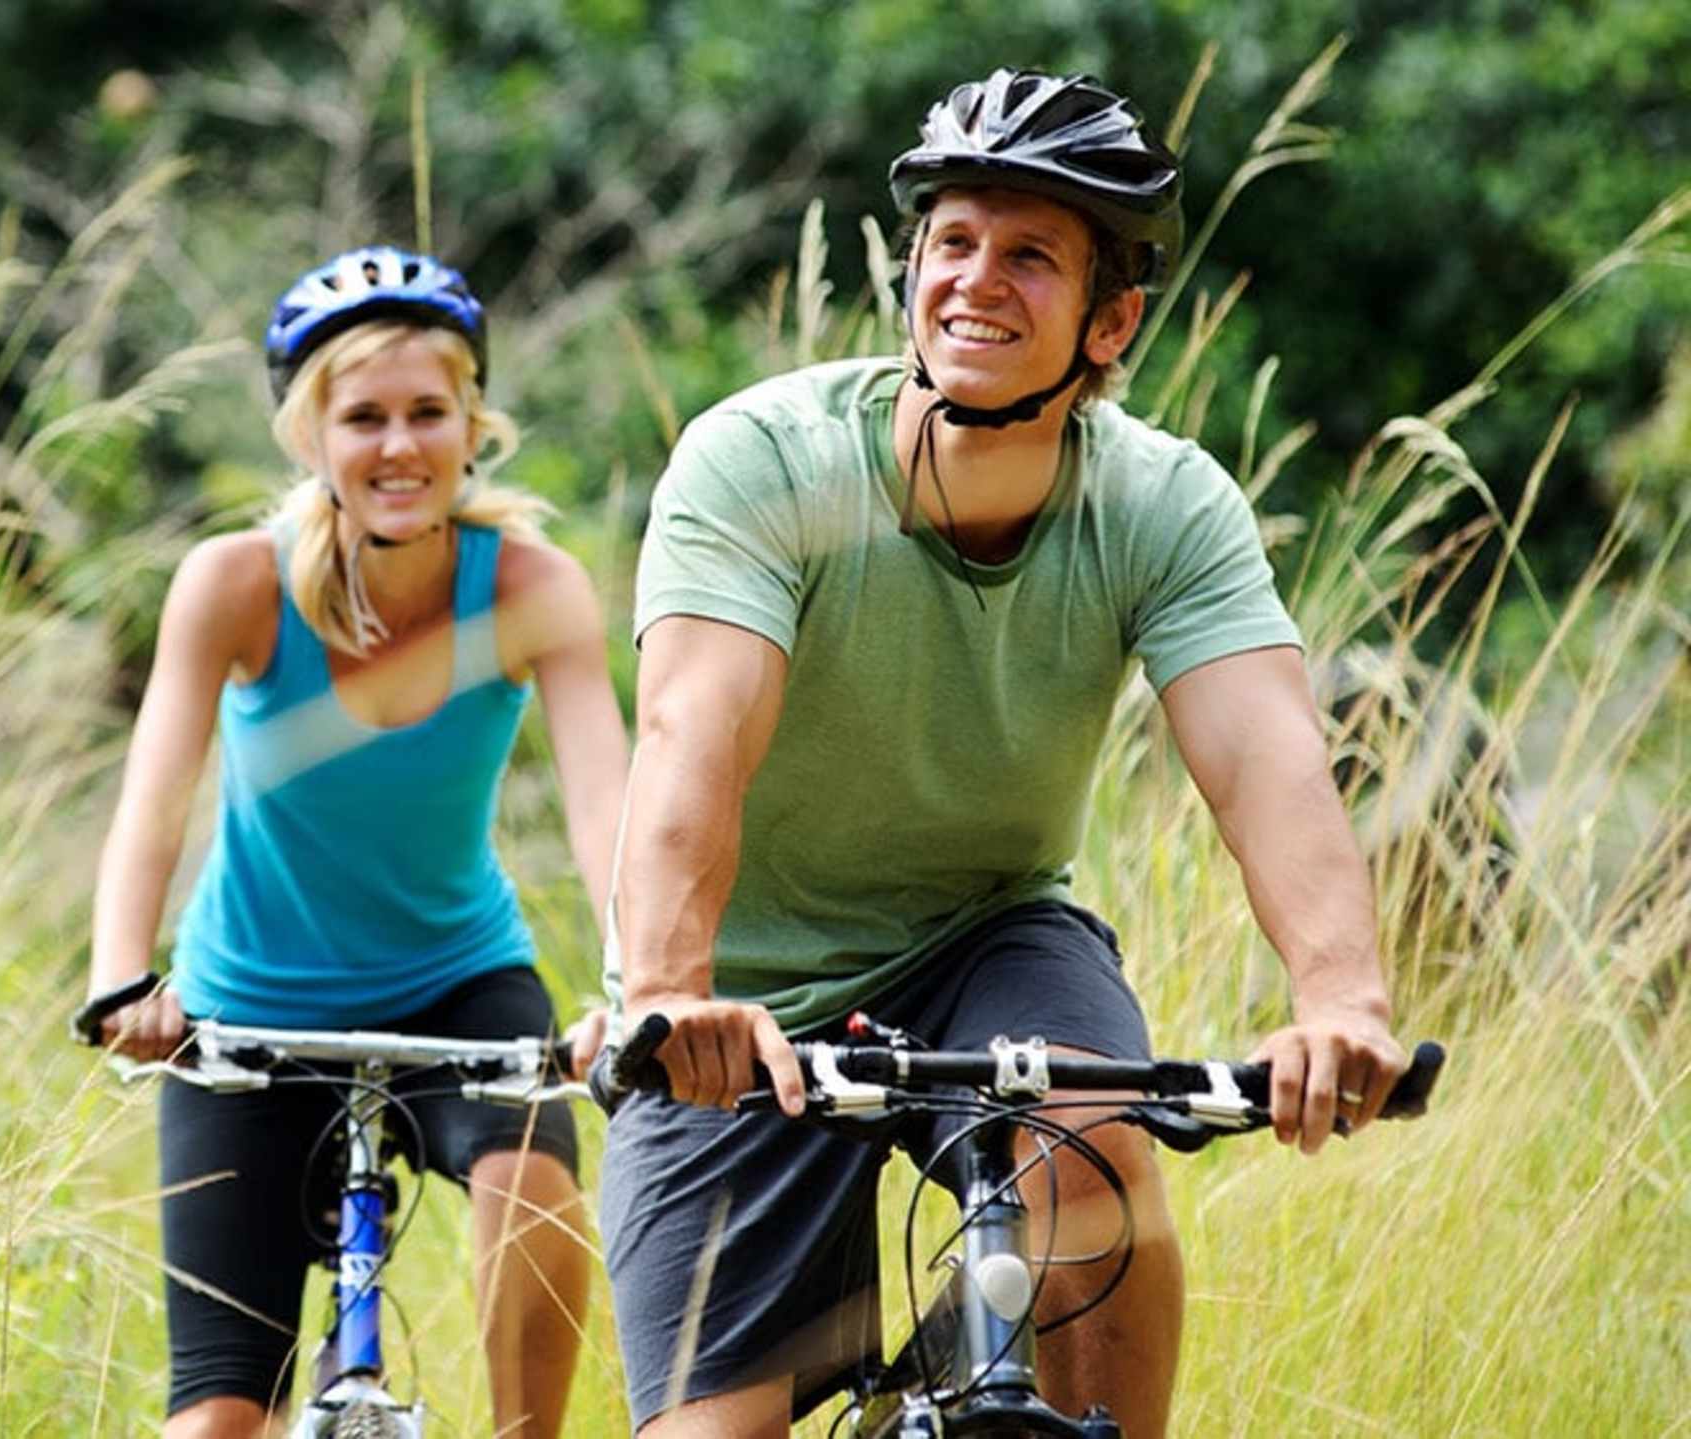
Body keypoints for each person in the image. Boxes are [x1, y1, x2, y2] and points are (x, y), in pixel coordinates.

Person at [598, 69, 1412, 1437]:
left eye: (1031, 255)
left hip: (987, 933)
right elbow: (695, 734)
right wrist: (675, 993)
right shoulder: (764, 460)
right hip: (735, 996)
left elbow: (1268, 755)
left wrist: (1345, 1003)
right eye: (953, 244)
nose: (977, 280)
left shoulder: (1161, 503)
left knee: (1099, 1147)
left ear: (1111, 322)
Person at [86, 245, 628, 1439]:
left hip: (458, 984)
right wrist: (124, 975)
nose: (398, 446)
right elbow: (153, 800)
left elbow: (608, 808)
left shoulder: (532, 587)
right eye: (363, 416)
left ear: (472, 422)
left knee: (532, 1189)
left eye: (428, 412)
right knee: (219, 1415)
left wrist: (634, 989)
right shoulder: (233, 582)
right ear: (307, 436)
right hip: (246, 1005)